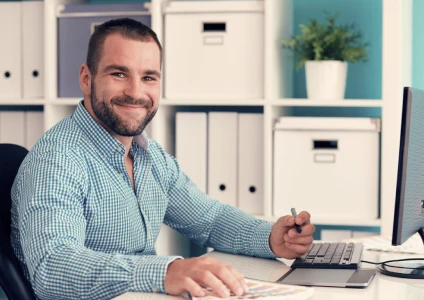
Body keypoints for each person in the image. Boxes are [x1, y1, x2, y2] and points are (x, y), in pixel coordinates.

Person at [11, 18, 315, 300]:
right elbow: (51, 267)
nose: (135, 92)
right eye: (119, 74)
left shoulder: (149, 156)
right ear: (86, 78)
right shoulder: (58, 159)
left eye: (148, 77)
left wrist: (271, 238)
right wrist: (166, 271)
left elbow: (210, 221)